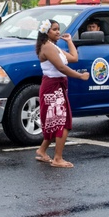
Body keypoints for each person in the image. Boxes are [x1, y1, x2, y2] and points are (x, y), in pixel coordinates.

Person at [33, 20, 89, 168]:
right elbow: (61, 67)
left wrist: (69, 41)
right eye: (54, 29)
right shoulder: (47, 47)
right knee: (62, 122)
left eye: (58, 29)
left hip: (57, 86)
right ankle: (58, 158)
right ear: (46, 32)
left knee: (56, 121)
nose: (58, 32)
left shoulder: (53, 47)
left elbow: (74, 58)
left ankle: (42, 150)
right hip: (52, 87)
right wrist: (79, 76)